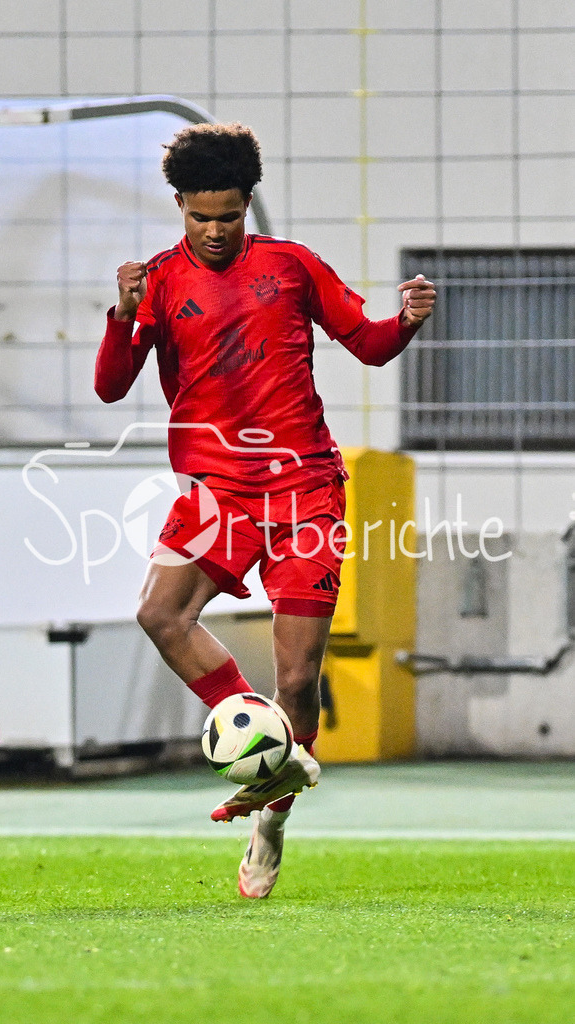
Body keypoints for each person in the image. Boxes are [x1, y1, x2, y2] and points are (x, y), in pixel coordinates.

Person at [95, 122, 435, 898]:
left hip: (305, 489)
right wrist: (122, 317)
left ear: (248, 203)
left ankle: (270, 821)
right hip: (217, 493)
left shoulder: (292, 268)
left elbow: (370, 344)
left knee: (296, 675)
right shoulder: (156, 282)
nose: (214, 232)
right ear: (179, 205)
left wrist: (408, 320)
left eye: (229, 215)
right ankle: (265, 741)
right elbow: (112, 388)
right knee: (160, 615)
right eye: (199, 217)